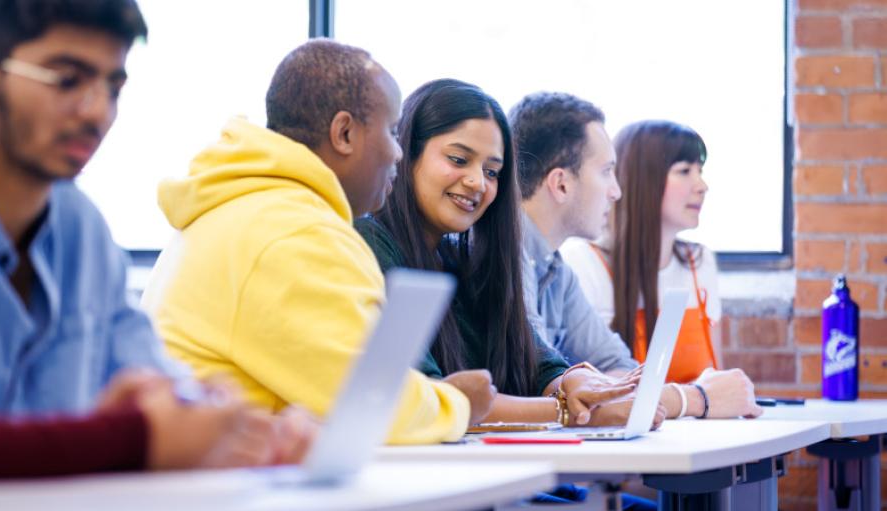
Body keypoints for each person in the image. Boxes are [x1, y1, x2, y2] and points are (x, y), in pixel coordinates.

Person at [0, 0, 318, 475]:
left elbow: (162, 385)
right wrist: (126, 438)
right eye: (67, 79)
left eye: (113, 87)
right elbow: (136, 434)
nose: (97, 111)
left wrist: (240, 427)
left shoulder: (85, 232)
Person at [149, 40, 487, 444]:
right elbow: (369, 407)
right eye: (393, 131)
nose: (397, 153)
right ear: (344, 133)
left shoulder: (248, 207)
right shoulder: (292, 231)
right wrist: (457, 403)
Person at [356, 79, 648, 430]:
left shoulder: (460, 261)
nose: (477, 182)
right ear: (407, 152)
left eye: (492, 171)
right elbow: (434, 397)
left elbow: (536, 362)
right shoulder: (370, 243)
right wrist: (570, 412)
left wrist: (570, 382)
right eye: (459, 159)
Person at [513, 93, 762, 420]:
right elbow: (544, 391)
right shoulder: (511, 261)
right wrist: (693, 398)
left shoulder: (555, 270)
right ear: (560, 184)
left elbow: (619, 368)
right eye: (605, 172)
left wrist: (614, 395)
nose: (616, 191)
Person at [0, 370, 317, 478]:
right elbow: (153, 427)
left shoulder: (81, 227)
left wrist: (239, 435)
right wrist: (134, 434)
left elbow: (172, 402)